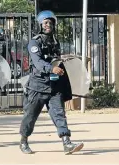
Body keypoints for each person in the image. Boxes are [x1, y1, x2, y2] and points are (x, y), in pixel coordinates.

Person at [19, 10, 84, 155]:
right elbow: (38, 62)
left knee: (59, 114)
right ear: (40, 25)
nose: (48, 25)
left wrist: (63, 59)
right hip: (38, 86)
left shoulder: (55, 42)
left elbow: (55, 58)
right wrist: (52, 68)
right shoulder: (34, 42)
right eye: (45, 22)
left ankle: (67, 142)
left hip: (54, 86)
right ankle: (23, 140)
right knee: (30, 117)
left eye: (51, 22)